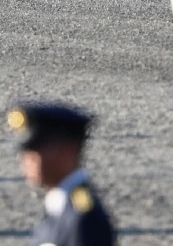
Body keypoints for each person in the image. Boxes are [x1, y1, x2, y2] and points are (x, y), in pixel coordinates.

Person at [8, 103, 115, 246]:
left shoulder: (83, 219)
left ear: (66, 153)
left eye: (34, 154)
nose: (25, 162)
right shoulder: (61, 206)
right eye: (25, 155)